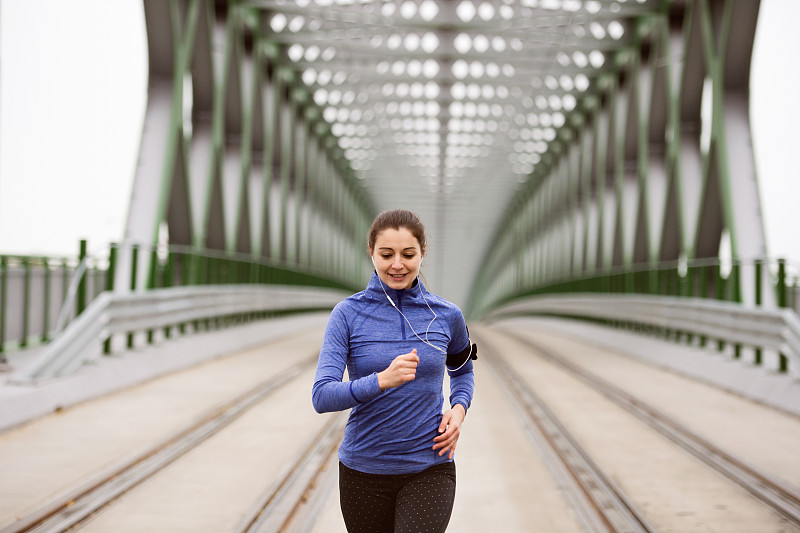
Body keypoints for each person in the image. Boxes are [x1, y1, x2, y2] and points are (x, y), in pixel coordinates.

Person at [312, 208, 477, 533]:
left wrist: (458, 411)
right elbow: (322, 396)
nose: (397, 264)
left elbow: (462, 372)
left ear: (422, 253)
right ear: (371, 252)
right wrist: (380, 381)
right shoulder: (347, 314)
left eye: (408, 254)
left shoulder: (447, 316)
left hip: (429, 467)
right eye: (386, 254)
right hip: (363, 471)